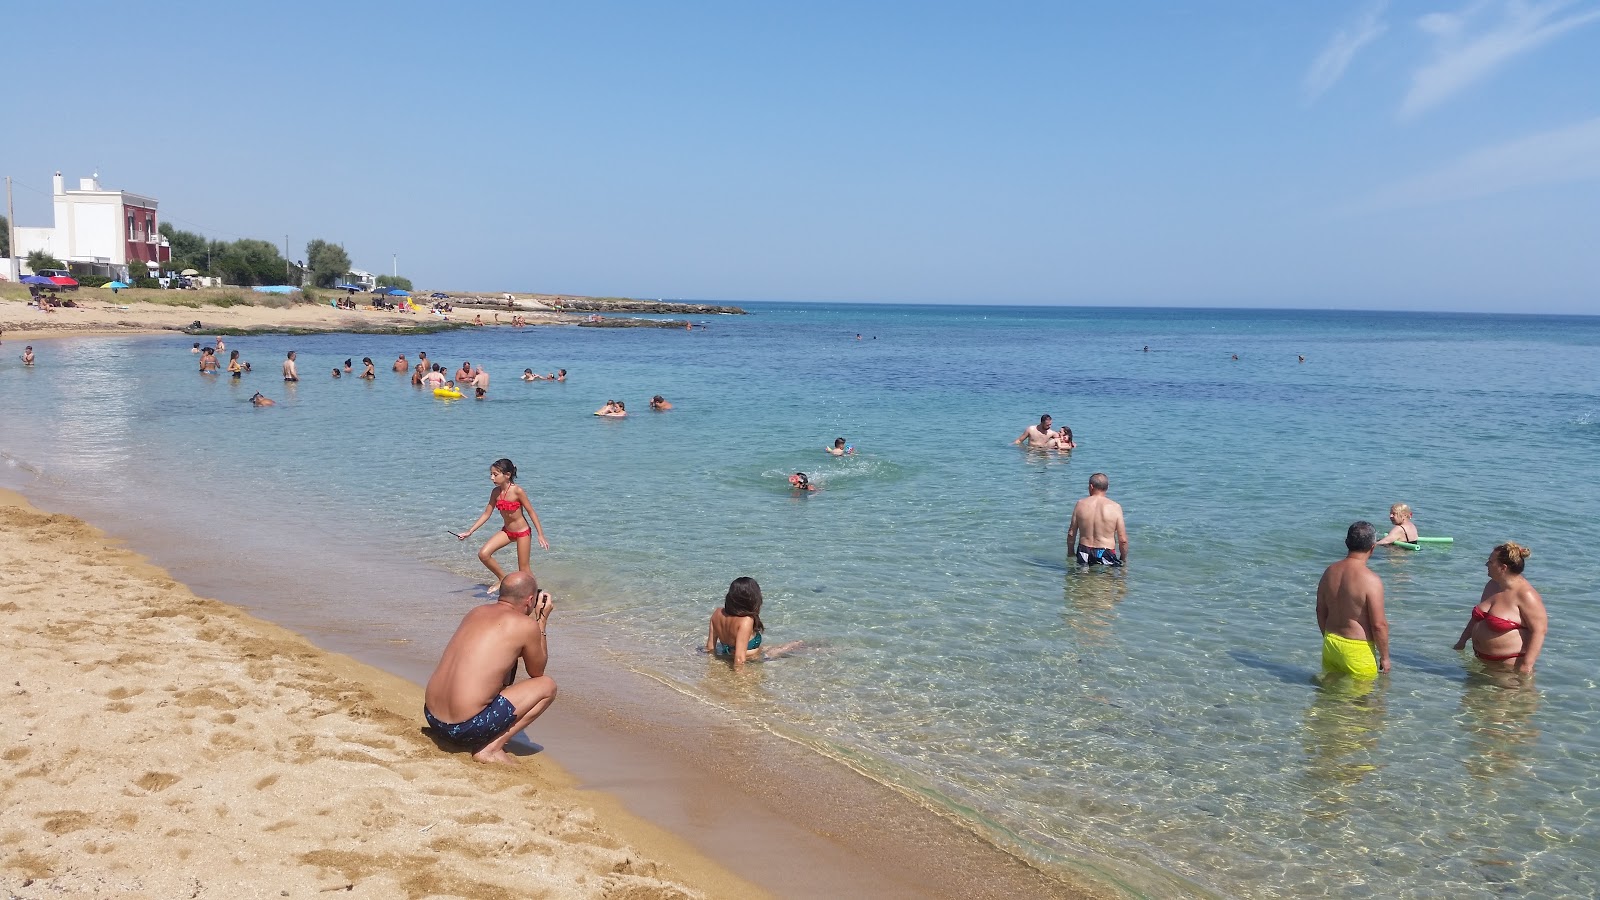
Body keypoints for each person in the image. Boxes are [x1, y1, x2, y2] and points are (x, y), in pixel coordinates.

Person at [424, 571, 558, 764]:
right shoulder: (525, 626)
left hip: (433, 718)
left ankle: (484, 737)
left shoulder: (476, 612)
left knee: (502, 666)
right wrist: (541, 622)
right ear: (530, 600)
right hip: (463, 728)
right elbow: (537, 672)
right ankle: (490, 749)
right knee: (547, 686)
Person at [456, 458, 550, 594]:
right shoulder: (495, 493)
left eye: (495, 474)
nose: (491, 477)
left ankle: (535, 595)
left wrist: (540, 535)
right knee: (483, 554)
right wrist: (469, 531)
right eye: (491, 474)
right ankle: (502, 578)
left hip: (523, 532)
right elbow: (486, 514)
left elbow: (531, 512)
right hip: (507, 532)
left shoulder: (517, 491)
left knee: (524, 570)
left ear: (507, 475)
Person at [1454, 542, 1547, 674]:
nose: (1486, 565)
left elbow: (1539, 631)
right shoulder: (1492, 586)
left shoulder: (1526, 595)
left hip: (1508, 668)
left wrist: (1526, 665)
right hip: (1480, 662)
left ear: (1503, 567)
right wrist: (1462, 641)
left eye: (1490, 562)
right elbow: (1478, 618)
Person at [1315, 522, 1390, 679]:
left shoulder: (1330, 571)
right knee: (1364, 701)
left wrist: (1328, 637)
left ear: (1346, 542)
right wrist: (1385, 657)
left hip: (1331, 643)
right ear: (1373, 547)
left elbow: (1320, 610)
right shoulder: (1371, 580)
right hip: (1358, 650)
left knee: (1329, 696)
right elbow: (1378, 625)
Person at [704, 577, 799, 668]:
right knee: (796, 645)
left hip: (731, 654)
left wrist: (713, 667)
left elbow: (710, 647)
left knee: (788, 646)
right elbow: (739, 658)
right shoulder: (746, 620)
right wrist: (740, 681)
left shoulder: (717, 613)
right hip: (753, 659)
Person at [1067, 473, 1127, 567]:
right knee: (1106, 580)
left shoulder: (1080, 504)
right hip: (1106, 552)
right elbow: (1123, 540)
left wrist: (1070, 553)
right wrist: (1123, 558)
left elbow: (1071, 533)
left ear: (1091, 486)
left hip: (1084, 551)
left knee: (1083, 580)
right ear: (1107, 487)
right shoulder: (1115, 507)